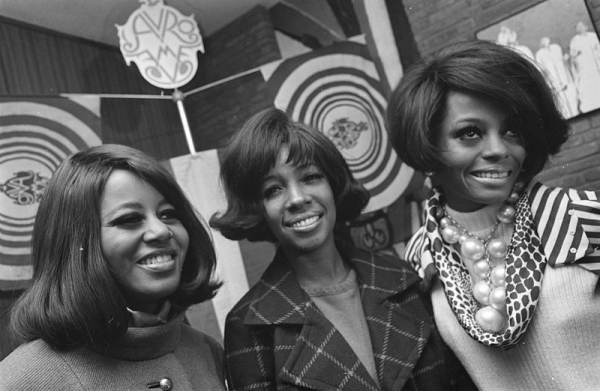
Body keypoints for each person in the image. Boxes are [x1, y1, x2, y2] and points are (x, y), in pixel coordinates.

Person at [387, 39, 600, 390]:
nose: (499, 149)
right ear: (427, 145)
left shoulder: (581, 218)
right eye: (470, 133)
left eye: (511, 131)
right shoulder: (422, 256)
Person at [209, 108, 474, 390]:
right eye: (273, 190)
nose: (297, 199)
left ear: (333, 185)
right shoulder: (248, 325)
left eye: (310, 177)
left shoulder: (402, 277)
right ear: (257, 209)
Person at [0, 144, 226, 390]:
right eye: (129, 219)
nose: (161, 231)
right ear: (76, 243)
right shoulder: (21, 380)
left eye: (168, 214)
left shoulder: (206, 350)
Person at [569, 21, 600, 112]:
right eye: (578, 27)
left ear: (586, 27)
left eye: (582, 26)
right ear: (577, 30)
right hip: (585, 66)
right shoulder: (575, 40)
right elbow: (573, 55)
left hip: (597, 62)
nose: (581, 28)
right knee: (590, 85)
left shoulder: (593, 36)